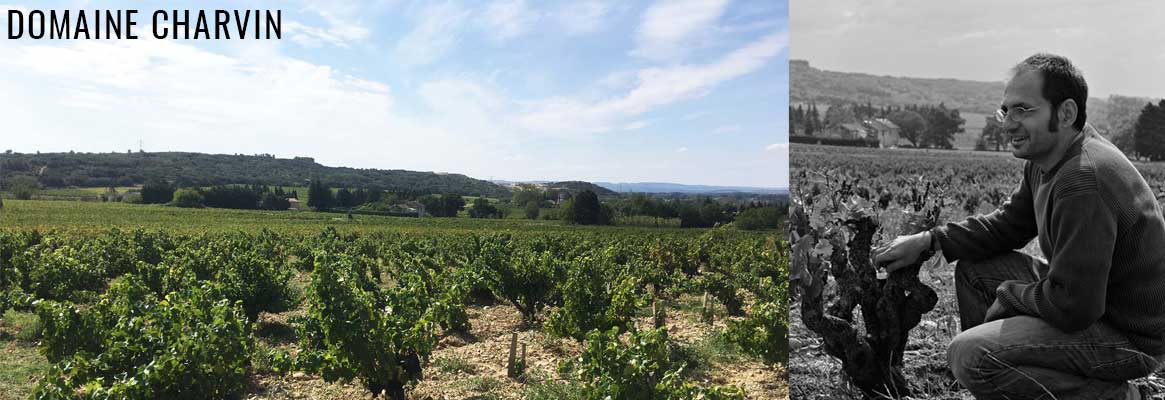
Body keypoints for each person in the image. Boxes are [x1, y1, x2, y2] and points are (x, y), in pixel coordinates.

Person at [873, 53, 1165, 400]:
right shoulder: (1051, 158)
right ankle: (1009, 382)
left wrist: (1010, 297)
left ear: (1066, 113)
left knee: (969, 355)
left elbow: (1075, 306)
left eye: (1023, 110)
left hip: (1128, 338)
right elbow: (1008, 227)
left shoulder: (1082, 179)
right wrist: (930, 240)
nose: (1009, 123)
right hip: (1095, 309)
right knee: (975, 269)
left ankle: (1119, 397)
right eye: (1005, 110)